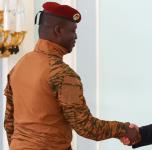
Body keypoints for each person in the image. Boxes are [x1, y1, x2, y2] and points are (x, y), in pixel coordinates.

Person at [3, 2, 140, 149]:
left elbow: (9, 122)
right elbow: (85, 126)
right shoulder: (62, 73)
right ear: (58, 30)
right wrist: (123, 129)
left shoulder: (20, 65)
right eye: (73, 31)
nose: (75, 37)